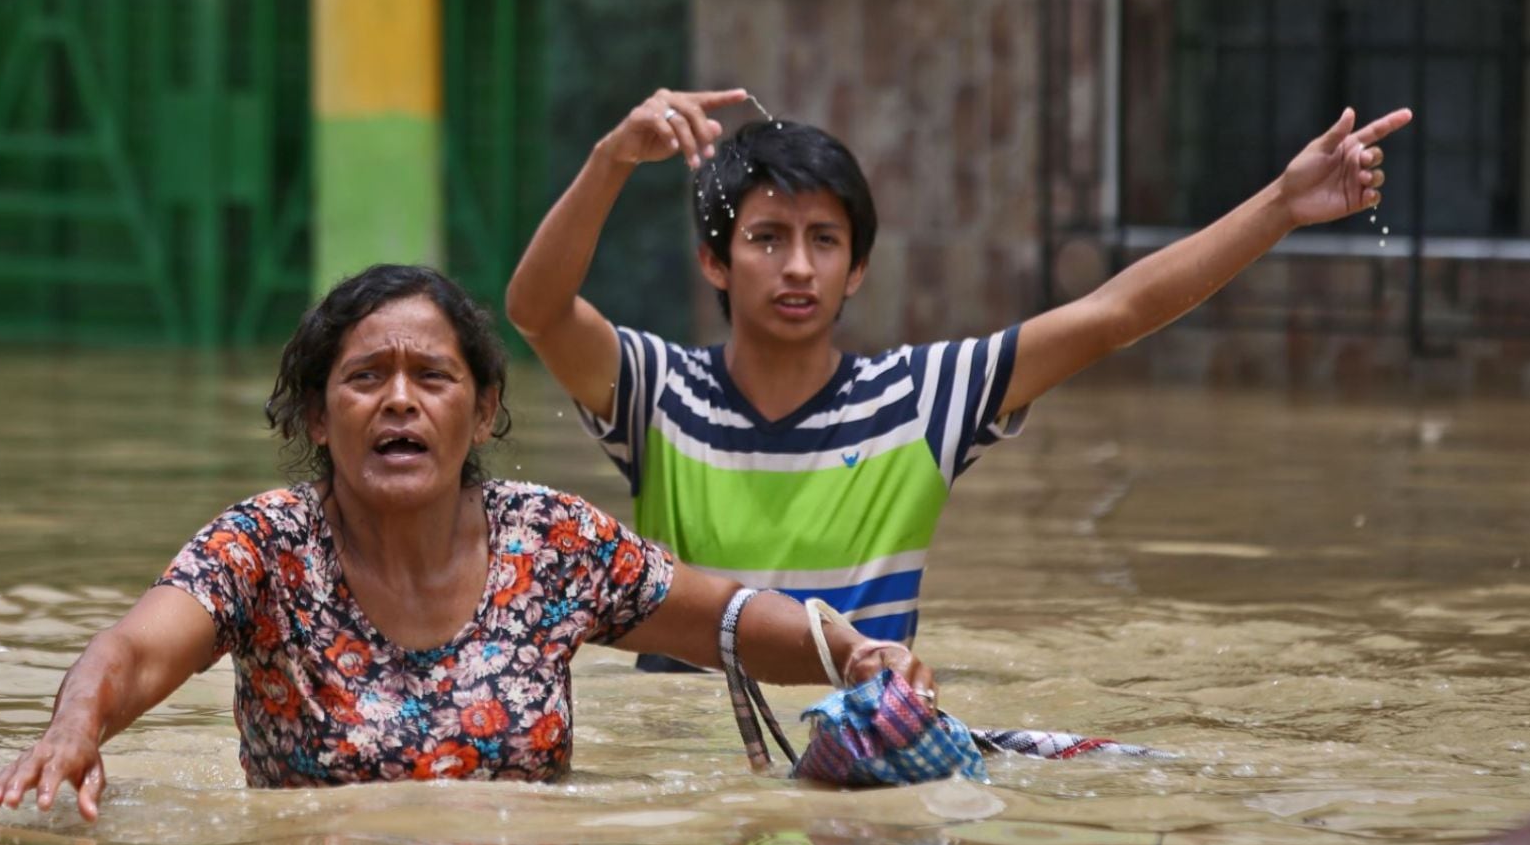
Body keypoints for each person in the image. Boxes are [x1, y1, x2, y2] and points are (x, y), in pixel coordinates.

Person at [0, 264, 933, 819]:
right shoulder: (264, 548)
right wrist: (73, 730)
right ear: (316, 416)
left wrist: (851, 652)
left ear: (483, 407)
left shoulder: (550, 542)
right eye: (364, 378)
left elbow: (719, 615)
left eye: (432, 377)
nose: (399, 401)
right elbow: (132, 650)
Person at [505, 90, 1411, 666]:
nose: (799, 267)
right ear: (715, 261)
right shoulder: (659, 392)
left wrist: (1280, 207)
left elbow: (1115, 313)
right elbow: (536, 312)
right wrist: (612, 159)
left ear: (858, 269)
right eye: (767, 239)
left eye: (825, 241)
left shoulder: (921, 400)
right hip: (680, 764)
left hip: (866, 744)